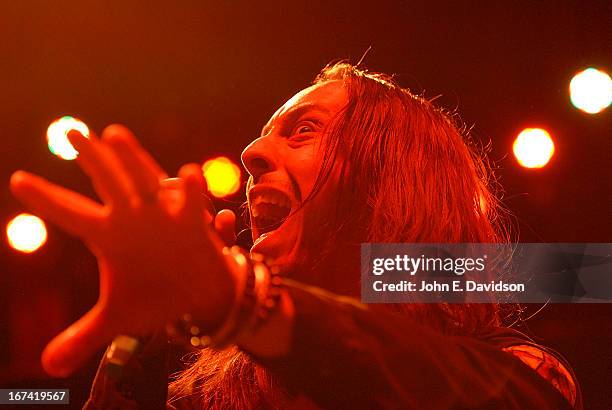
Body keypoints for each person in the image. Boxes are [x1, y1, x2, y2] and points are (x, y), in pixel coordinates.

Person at [10, 62, 580, 409]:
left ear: (392, 178)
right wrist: (138, 339)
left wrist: (236, 301)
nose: (252, 154)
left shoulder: (518, 374)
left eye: (304, 131)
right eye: (263, 138)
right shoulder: (205, 396)